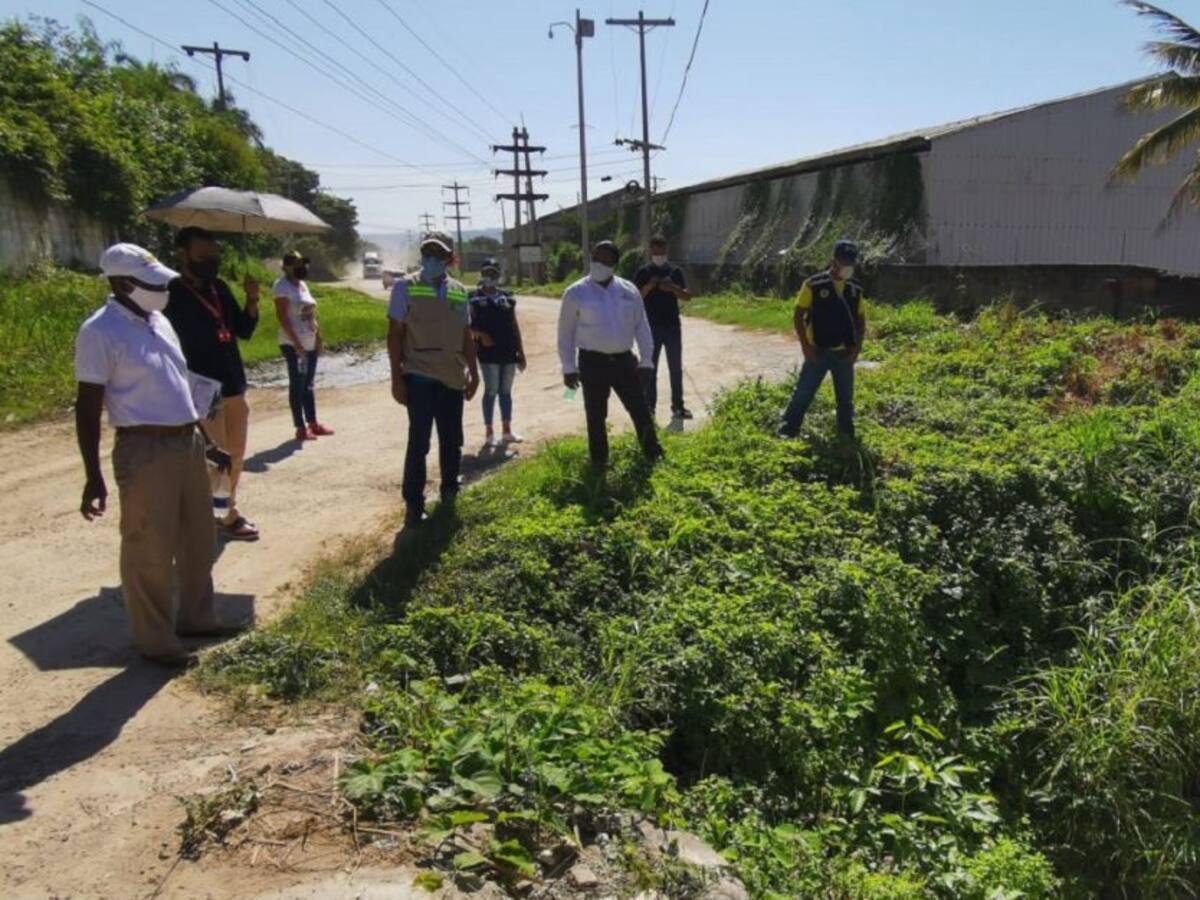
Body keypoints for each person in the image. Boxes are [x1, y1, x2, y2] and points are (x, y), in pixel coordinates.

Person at [75, 243, 242, 667]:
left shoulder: (160, 321)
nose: (161, 290)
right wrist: (93, 474)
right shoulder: (100, 331)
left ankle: (197, 619)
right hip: (144, 447)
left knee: (198, 538)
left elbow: (179, 387)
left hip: (187, 442)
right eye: (151, 284)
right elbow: (88, 406)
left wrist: (207, 442)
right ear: (120, 284)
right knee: (149, 547)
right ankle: (156, 641)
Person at [165, 226, 261, 541]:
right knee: (213, 460)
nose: (211, 261)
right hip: (201, 389)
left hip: (233, 384)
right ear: (182, 254)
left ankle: (223, 510)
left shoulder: (219, 288)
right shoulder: (170, 295)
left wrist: (252, 300)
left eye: (214, 255)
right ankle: (222, 517)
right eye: (203, 255)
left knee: (236, 455)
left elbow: (243, 330)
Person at [387, 232, 480, 527]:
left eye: (437, 255)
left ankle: (450, 490)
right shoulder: (405, 287)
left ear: (449, 259)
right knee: (419, 442)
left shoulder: (459, 290)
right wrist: (396, 378)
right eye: (426, 254)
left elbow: (465, 335)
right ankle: (414, 504)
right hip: (420, 374)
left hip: (452, 375)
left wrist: (474, 372)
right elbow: (395, 335)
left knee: (452, 440)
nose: (431, 259)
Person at [558, 240, 663, 470]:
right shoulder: (575, 293)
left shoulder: (629, 290)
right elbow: (565, 334)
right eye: (595, 258)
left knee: (640, 409)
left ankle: (653, 454)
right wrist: (568, 367)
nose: (599, 264)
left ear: (615, 263)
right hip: (592, 363)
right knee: (595, 415)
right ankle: (599, 462)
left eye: (605, 260)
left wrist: (646, 361)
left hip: (625, 362)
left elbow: (642, 328)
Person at [777, 239, 867, 439]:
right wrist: (806, 347)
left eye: (851, 262)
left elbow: (861, 321)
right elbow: (798, 315)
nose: (848, 266)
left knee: (845, 398)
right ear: (834, 261)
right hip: (818, 352)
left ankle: (846, 434)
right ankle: (787, 431)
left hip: (844, 353)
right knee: (803, 394)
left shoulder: (855, 288)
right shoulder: (814, 284)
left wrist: (856, 350)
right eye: (844, 262)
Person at [274, 250, 335, 442]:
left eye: (304, 264)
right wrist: (297, 344)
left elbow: (310, 314)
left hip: (309, 342)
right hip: (293, 344)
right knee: (298, 385)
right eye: (297, 264)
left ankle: (313, 423)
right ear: (286, 267)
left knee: (308, 384)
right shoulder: (281, 286)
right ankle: (300, 427)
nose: (302, 267)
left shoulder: (302, 285)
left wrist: (318, 337)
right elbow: (282, 318)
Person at [633, 235, 693, 420]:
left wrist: (672, 288)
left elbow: (687, 296)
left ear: (666, 251)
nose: (659, 255)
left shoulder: (674, 271)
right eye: (656, 252)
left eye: (662, 251)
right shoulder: (643, 272)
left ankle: (678, 406)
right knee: (651, 368)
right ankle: (649, 408)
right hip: (651, 328)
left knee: (676, 368)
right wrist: (649, 286)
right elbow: (635, 298)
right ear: (650, 252)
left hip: (672, 326)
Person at [469, 258, 526, 448]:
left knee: (506, 392)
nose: (490, 277)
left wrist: (521, 352)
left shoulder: (507, 297)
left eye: (493, 273)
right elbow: (466, 326)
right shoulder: (473, 299)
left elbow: (514, 325)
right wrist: (481, 334)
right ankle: (489, 432)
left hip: (509, 352)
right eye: (487, 273)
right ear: (481, 274)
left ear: (498, 275)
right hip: (488, 354)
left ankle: (507, 431)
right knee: (491, 390)